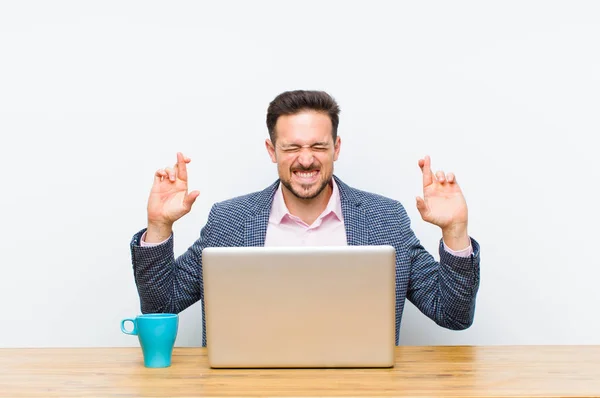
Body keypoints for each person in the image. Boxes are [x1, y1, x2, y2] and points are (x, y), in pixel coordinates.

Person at [130, 90, 480, 347]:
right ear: (272, 151)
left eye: (318, 146)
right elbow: (163, 303)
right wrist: (160, 226)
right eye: (292, 148)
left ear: (336, 148)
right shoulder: (230, 221)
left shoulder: (384, 219)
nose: (306, 160)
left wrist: (455, 231)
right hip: (247, 388)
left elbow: (452, 315)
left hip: (359, 388)